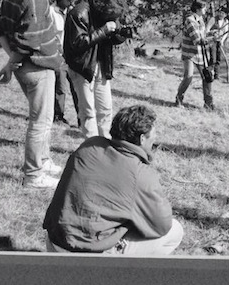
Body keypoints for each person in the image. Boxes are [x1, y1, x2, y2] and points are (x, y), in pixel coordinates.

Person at [43, 105, 184, 255]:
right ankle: (117, 273)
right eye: (154, 134)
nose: (155, 139)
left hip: (54, 243)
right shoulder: (140, 174)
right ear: (142, 139)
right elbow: (161, 225)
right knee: (175, 230)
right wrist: (127, 226)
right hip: (88, 254)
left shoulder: (90, 145)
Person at [0, 0, 69, 189]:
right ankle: (34, 175)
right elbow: (29, 41)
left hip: (25, 66)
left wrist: (10, 62)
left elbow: (2, 30)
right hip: (37, 68)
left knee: (43, 118)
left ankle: (43, 161)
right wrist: (13, 61)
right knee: (41, 121)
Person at [64, 0, 128, 139]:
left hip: (102, 65)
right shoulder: (79, 13)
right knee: (88, 111)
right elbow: (77, 44)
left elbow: (109, 39)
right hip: (82, 67)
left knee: (106, 108)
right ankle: (91, 147)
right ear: (104, 11)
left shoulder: (108, 14)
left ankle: (105, 144)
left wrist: (120, 34)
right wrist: (103, 30)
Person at [175, 0, 215, 110]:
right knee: (188, 77)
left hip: (200, 54)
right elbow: (197, 40)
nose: (206, 10)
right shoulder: (190, 20)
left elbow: (203, 35)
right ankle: (179, 99)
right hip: (189, 54)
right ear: (197, 9)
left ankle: (208, 104)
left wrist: (211, 33)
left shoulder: (201, 20)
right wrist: (212, 39)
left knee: (207, 77)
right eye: (204, 8)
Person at [51, 0, 79, 125]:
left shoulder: (73, 12)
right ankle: (58, 116)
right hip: (58, 55)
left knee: (77, 87)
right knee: (60, 87)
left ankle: (82, 118)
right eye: (69, 0)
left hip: (72, 55)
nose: (71, 3)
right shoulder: (51, 12)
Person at [207, 6, 229, 79]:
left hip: (220, 42)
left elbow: (225, 33)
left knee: (218, 59)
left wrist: (222, 40)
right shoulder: (213, 19)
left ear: (225, 15)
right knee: (212, 58)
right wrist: (213, 33)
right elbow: (207, 30)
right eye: (220, 12)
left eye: (223, 13)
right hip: (212, 41)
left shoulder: (226, 22)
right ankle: (209, 74)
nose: (221, 14)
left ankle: (217, 75)